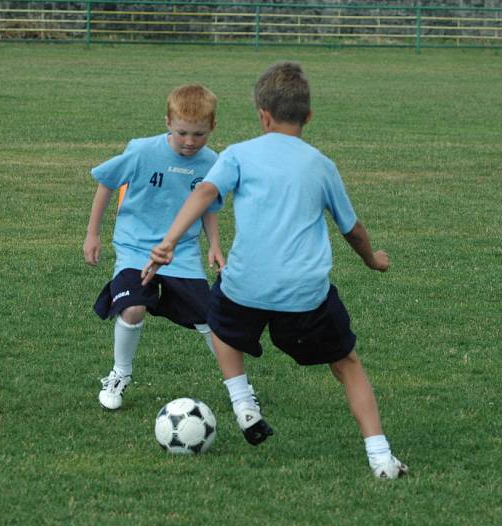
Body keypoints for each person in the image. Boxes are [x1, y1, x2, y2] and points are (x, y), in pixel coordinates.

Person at [142, 62, 408, 479]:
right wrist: (373, 260)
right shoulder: (321, 165)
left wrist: (170, 240)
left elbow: (207, 191)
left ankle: (243, 401)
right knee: (347, 364)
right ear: (309, 117)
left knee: (218, 318)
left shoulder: (239, 154)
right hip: (305, 295)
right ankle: (380, 457)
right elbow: (352, 229)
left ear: (262, 116)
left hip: (245, 285)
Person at [85, 84, 243, 411]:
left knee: (210, 319)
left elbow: (209, 206)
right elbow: (105, 182)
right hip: (135, 248)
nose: (189, 142)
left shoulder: (213, 162)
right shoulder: (142, 151)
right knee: (133, 307)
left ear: (212, 127)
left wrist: (214, 245)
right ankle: (119, 374)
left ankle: (238, 388)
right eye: (183, 132)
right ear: (168, 122)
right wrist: (93, 234)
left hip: (182, 254)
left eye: (199, 135)